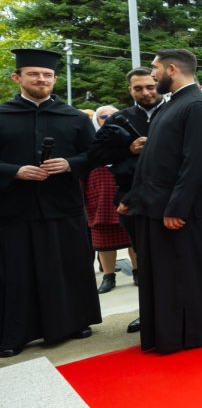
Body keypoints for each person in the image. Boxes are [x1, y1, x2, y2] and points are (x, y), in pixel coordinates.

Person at [119, 48, 202, 354]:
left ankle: (192, 333)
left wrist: (178, 207)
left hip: (179, 212)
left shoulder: (197, 106)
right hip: (156, 206)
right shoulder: (171, 104)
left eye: (155, 69)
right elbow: (153, 160)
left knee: (184, 275)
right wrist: (132, 198)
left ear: (172, 69)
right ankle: (166, 332)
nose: (153, 75)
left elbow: (196, 162)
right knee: (165, 276)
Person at [0, 48, 100, 358]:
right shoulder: (2, 115)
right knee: (16, 273)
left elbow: (95, 155)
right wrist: (14, 171)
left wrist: (70, 164)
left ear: (55, 79)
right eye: (34, 74)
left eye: (47, 75)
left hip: (62, 206)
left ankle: (74, 322)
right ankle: (15, 333)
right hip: (14, 208)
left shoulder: (74, 117)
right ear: (17, 78)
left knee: (67, 266)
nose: (41, 79)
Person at [88, 67, 162, 333]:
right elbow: (96, 156)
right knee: (144, 257)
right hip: (132, 197)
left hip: (171, 197)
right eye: (138, 88)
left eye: (150, 87)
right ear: (130, 90)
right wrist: (128, 149)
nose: (146, 93)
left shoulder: (175, 112)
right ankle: (149, 312)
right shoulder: (119, 118)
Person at [86, 105, 133, 293]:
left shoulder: (131, 136)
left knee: (132, 233)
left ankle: (138, 271)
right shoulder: (90, 139)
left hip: (125, 189)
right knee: (103, 236)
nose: (109, 119)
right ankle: (108, 276)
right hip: (99, 191)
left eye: (114, 115)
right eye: (104, 116)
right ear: (96, 120)